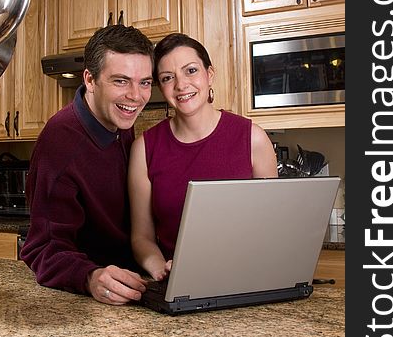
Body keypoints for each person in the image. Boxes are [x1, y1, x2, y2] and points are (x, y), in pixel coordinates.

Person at [21, 24, 154, 305]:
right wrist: (90, 276)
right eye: (121, 81)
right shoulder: (60, 143)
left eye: (144, 82)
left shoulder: (119, 120)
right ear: (90, 80)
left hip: (133, 284)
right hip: (93, 298)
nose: (136, 96)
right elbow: (41, 249)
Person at [128, 33, 278, 281]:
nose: (181, 85)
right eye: (167, 78)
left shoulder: (253, 138)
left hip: (246, 278)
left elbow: (272, 227)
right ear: (161, 87)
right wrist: (159, 267)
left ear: (209, 74)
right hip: (178, 283)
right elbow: (141, 237)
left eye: (191, 70)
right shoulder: (144, 148)